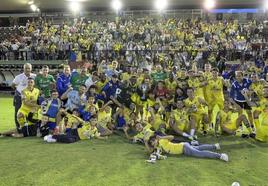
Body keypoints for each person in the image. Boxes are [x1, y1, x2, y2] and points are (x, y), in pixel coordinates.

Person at [146, 135, 229, 162]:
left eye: (152, 141)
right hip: (183, 147)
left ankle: (220, 156)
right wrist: (146, 142)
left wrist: (161, 137)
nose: (152, 144)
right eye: (151, 143)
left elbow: (172, 137)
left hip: (183, 148)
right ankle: (215, 146)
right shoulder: (158, 147)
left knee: (199, 153)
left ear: (155, 140)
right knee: (199, 148)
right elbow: (150, 151)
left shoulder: (162, 141)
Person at [11, 63, 36, 132]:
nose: (27, 70)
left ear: (31, 69)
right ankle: (18, 127)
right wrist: (19, 90)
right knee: (18, 111)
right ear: (23, 69)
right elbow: (13, 85)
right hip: (19, 97)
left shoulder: (34, 76)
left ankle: (27, 126)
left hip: (30, 98)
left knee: (29, 111)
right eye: (26, 68)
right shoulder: (18, 77)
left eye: (29, 68)